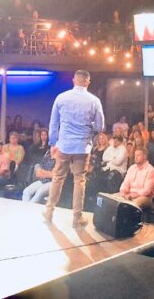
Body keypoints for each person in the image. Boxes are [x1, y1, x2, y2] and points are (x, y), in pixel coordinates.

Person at [44, 70, 105, 227]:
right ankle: (77, 217)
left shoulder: (61, 97)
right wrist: (89, 126)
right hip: (82, 147)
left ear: (73, 80)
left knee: (58, 177)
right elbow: (100, 127)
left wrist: (52, 143)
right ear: (87, 81)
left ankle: (49, 210)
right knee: (79, 180)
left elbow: (53, 123)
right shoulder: (94, 101)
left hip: (64, 145)